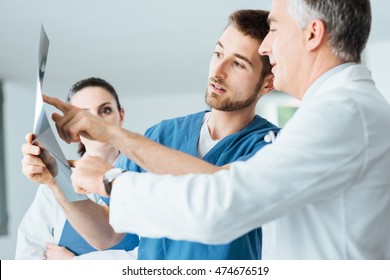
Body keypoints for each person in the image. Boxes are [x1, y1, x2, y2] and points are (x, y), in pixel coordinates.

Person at [45, 0, 390, 260]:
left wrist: (110, 179)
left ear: (312, 33)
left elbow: (224, 201)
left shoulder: (338, 115)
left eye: (276, 28)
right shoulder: (339, 111)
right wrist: (59, 177)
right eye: (217, 53)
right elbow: (112, 231)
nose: (269, 45)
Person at [37, 10, 280, 260]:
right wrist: (55, 178)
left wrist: (112, 136)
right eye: (218, 53)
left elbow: (220, 193)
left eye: (238, 63)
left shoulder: (273, 148)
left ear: (267, 83)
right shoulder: (161, 134)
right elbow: (106, 235)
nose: (217, 71)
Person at [16, 77, 139, 260]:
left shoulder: (145, 178)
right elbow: (27, 255)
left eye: (105, 110)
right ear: (69, 125)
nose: (95, 121)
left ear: (121, 116)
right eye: (83, 115)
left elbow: (155, 259)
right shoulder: (54, 183)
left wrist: (74, 264)